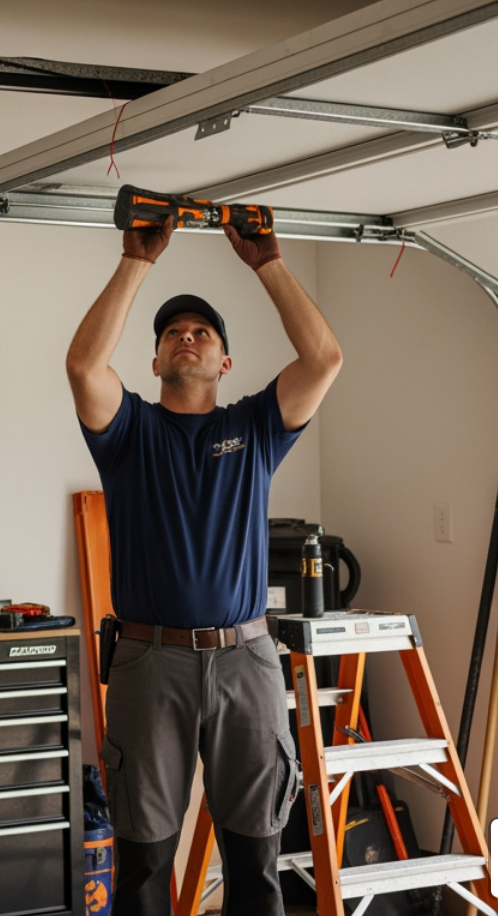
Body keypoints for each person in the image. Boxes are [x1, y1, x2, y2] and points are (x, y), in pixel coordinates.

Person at [65, 214, 342, 916]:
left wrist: (268, 261)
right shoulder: (129, 431)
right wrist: (136, 260)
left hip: (247, 661)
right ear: (156, 361)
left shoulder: (254, 428)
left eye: (202, 333)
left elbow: (324, 360)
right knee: (144, 866)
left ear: (224, 363)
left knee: (256, 864)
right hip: (148, 663)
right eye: (171, 334)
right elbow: (84, 367)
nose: (186, 337)